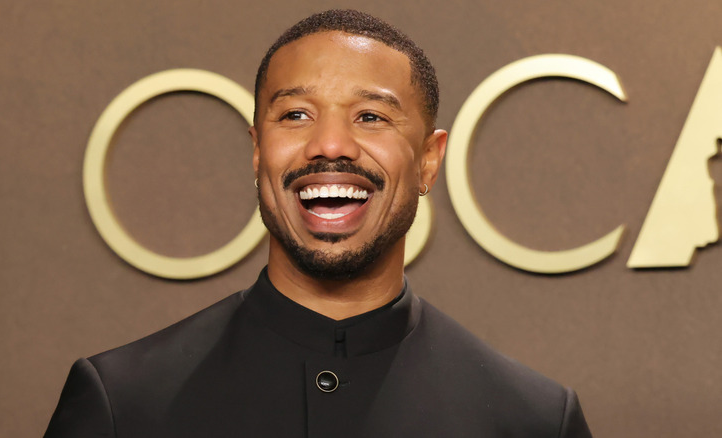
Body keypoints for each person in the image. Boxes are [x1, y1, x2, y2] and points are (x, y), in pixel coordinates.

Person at [45, 9, 593, 438]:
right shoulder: (123, 401)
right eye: (296, 115)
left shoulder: (535, 420)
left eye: (371, 117)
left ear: (429, 160)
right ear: (258, 151)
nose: (330, 145)